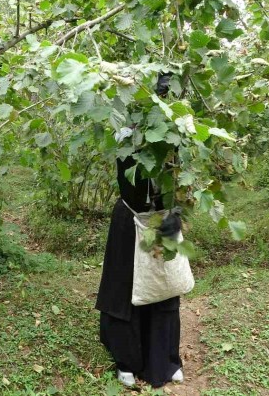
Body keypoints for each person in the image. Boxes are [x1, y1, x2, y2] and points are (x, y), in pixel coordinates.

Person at [95, 73, 184, 388]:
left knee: (165, 285)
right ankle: (126, 360)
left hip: (165, 218)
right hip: (131, 218)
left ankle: (166, 360)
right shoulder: (125, 127)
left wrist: (179, 211)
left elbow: (182, 174)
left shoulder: (176, 126)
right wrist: (143, 115)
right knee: (125, 288)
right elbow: (126, 168)